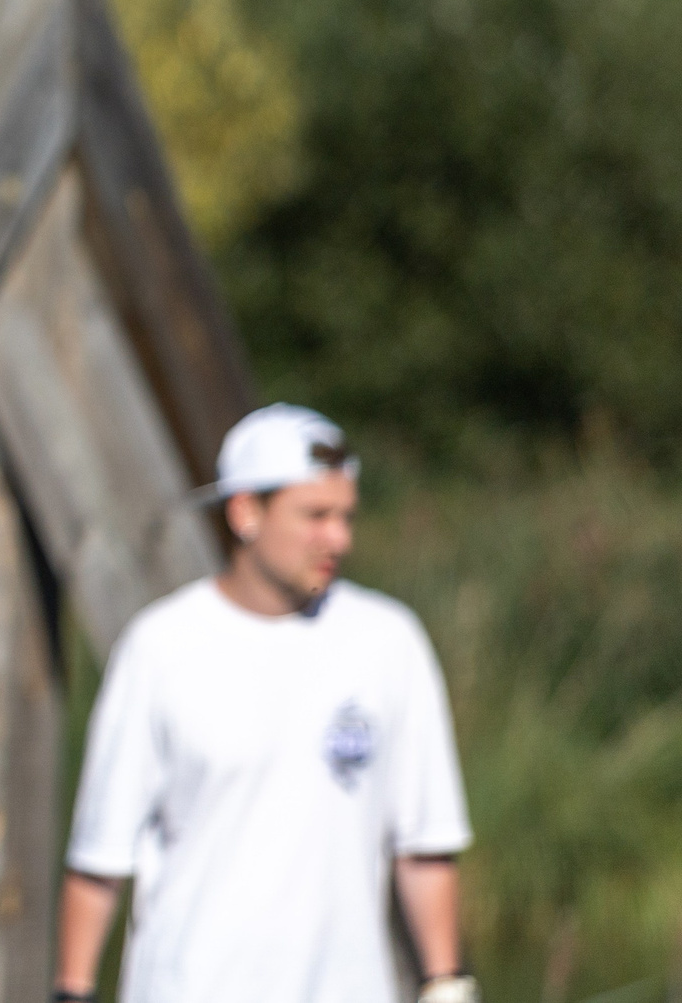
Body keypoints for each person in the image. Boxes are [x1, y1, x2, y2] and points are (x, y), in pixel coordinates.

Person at [54, 404, 477, 1003]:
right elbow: (101, 856)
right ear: (246, 512)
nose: (339, 538)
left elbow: (425, 843)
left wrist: (445, 985)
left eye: (346, 516)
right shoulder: (161, 646)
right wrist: (72, 992)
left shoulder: (389, 641)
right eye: (316, 515)